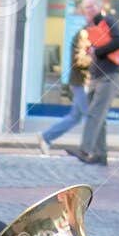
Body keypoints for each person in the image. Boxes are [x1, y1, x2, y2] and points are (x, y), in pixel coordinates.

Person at [77, 0, 119, 166]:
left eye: (91, 6)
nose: (89, 10)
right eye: (86, 7)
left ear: (99, 7)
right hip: (96, 75)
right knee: (99, 117)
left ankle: (85, 149)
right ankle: (100, 154)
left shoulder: (108, 21)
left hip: (109, 75)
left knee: (94, 113)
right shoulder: (89, 27)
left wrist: (97, 52)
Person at [36, 17, 91, 157]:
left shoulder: (87, 35)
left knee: (75, 117)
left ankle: (46, 137)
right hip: (81, 82)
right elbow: (79, 60)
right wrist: (95, 60)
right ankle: (88, 149)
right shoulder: (84, 35)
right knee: (90, 116)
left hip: (82, 82)